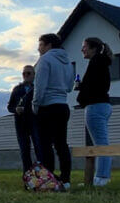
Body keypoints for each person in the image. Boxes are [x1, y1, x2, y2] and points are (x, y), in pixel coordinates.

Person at [31, 33, 75, 190]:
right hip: (63, 106)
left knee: (45, 145)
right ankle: (66, 179)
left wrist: (35, 105)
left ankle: (48, 180)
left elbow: (40, 86)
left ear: (49, 45)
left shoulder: (45, 59)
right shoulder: (68, 62)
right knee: (61, 144)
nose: (38, 48)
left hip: (47, 107)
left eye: (40, 44)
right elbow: (70, 87)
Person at [78, 36, 113, 186]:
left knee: (101, 144)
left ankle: (102, 178)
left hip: (96, 106)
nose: (82, 49)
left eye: (84, 46)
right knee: (101, 142)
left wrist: (82, 93)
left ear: (93, 48)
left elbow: (92, 86)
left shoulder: (96, 62)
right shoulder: (101, 62)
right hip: (103, 105)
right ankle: (100, 177)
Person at [7, 65, 44, 172]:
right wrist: (16, 109)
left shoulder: (37, 88)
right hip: (21, 124)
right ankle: (27, 176)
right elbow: (10, 106)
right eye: (24, 73)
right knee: (24, 150)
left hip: (35, 122)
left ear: (34, 75)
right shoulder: (17, 89)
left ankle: (42, 174)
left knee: (39, 149)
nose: (26, 75)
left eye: (29, 73)